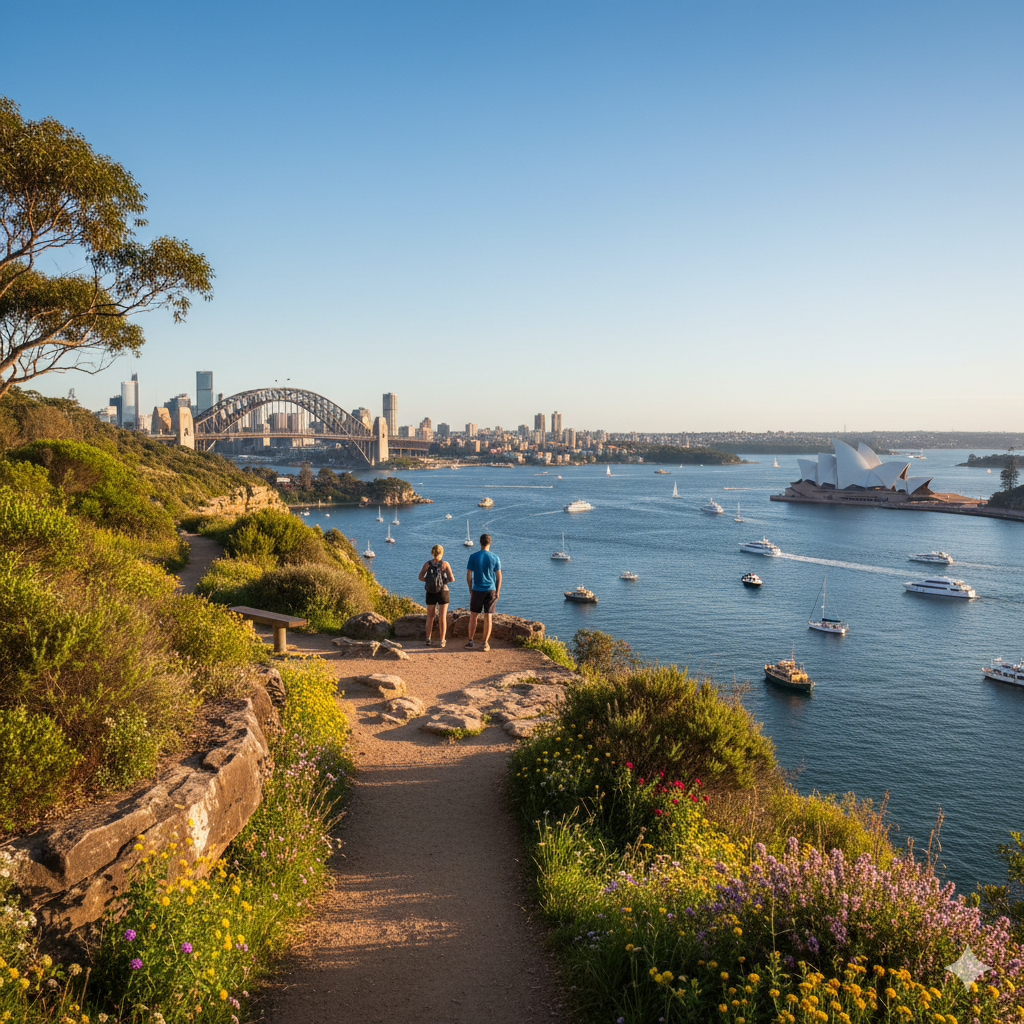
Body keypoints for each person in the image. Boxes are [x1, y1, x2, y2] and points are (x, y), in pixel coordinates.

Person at [465, 533, 501, 651]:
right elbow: (499, 576)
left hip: (477, 589)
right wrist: (497, 590)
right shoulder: (495, 557)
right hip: (491, 589)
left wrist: (471, 588)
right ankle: (485, 643)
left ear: (480, 542)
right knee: (488, 617)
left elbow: (469, 575)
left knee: (473, 616)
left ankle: (471, 641)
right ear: (489, 543)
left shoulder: (473, 556)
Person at [418, 544, 454, 647]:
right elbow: (452, 578)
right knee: (442, 616)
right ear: (441, 553)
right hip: (443, 592)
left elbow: (420, 577)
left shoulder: (427, 564)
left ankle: (428, 639)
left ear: (432, 552)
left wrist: (429, 581)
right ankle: (442, 640)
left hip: (430, 592)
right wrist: (442, 581)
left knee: (430, 616)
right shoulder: (445, 564)